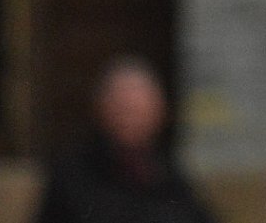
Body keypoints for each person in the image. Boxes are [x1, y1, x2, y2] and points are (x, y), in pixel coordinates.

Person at [32, 56, 217, 223]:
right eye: (123, 110)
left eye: (139, 111)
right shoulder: (73, 174)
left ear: (159, 112)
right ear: (101, 108)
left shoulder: (165, 171)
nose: (130, 121)